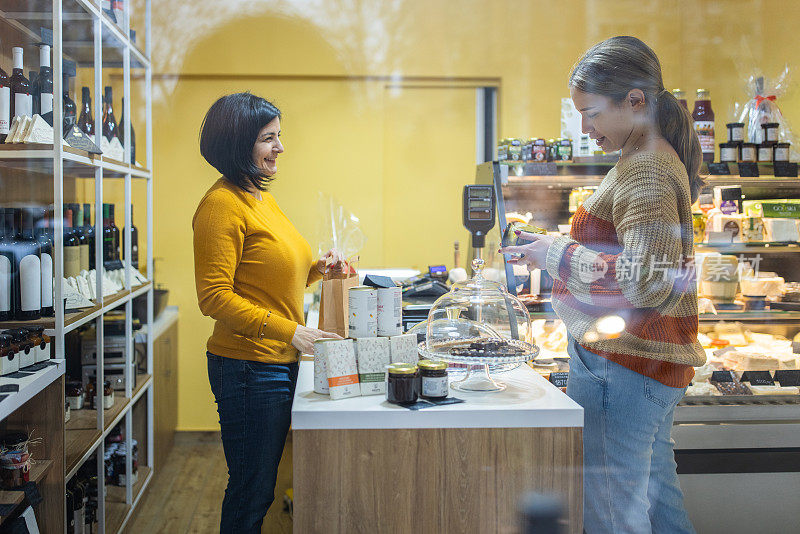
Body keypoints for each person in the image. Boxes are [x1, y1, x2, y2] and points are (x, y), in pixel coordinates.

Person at [501, 36, 704, 533]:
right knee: (657, 501)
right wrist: (556, 248)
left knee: (613, 508)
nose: (585, 128)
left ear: (635, 100)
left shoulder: (647, 170)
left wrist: (555, 253)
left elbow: (645, 283)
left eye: (591, 113)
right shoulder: (643, 159)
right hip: (643, 364)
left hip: (626, 363)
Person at [193, 92, 344, 533]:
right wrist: (291, 331)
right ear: (239, 144)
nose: (280, 148)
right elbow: (214, 297)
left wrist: (320, 269)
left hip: (274, 361)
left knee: (262, 486)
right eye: (268, 139)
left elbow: (271, 275)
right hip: (247, 368)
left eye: (279, 136)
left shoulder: (259, 197)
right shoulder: (221, 205)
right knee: (252, 490)